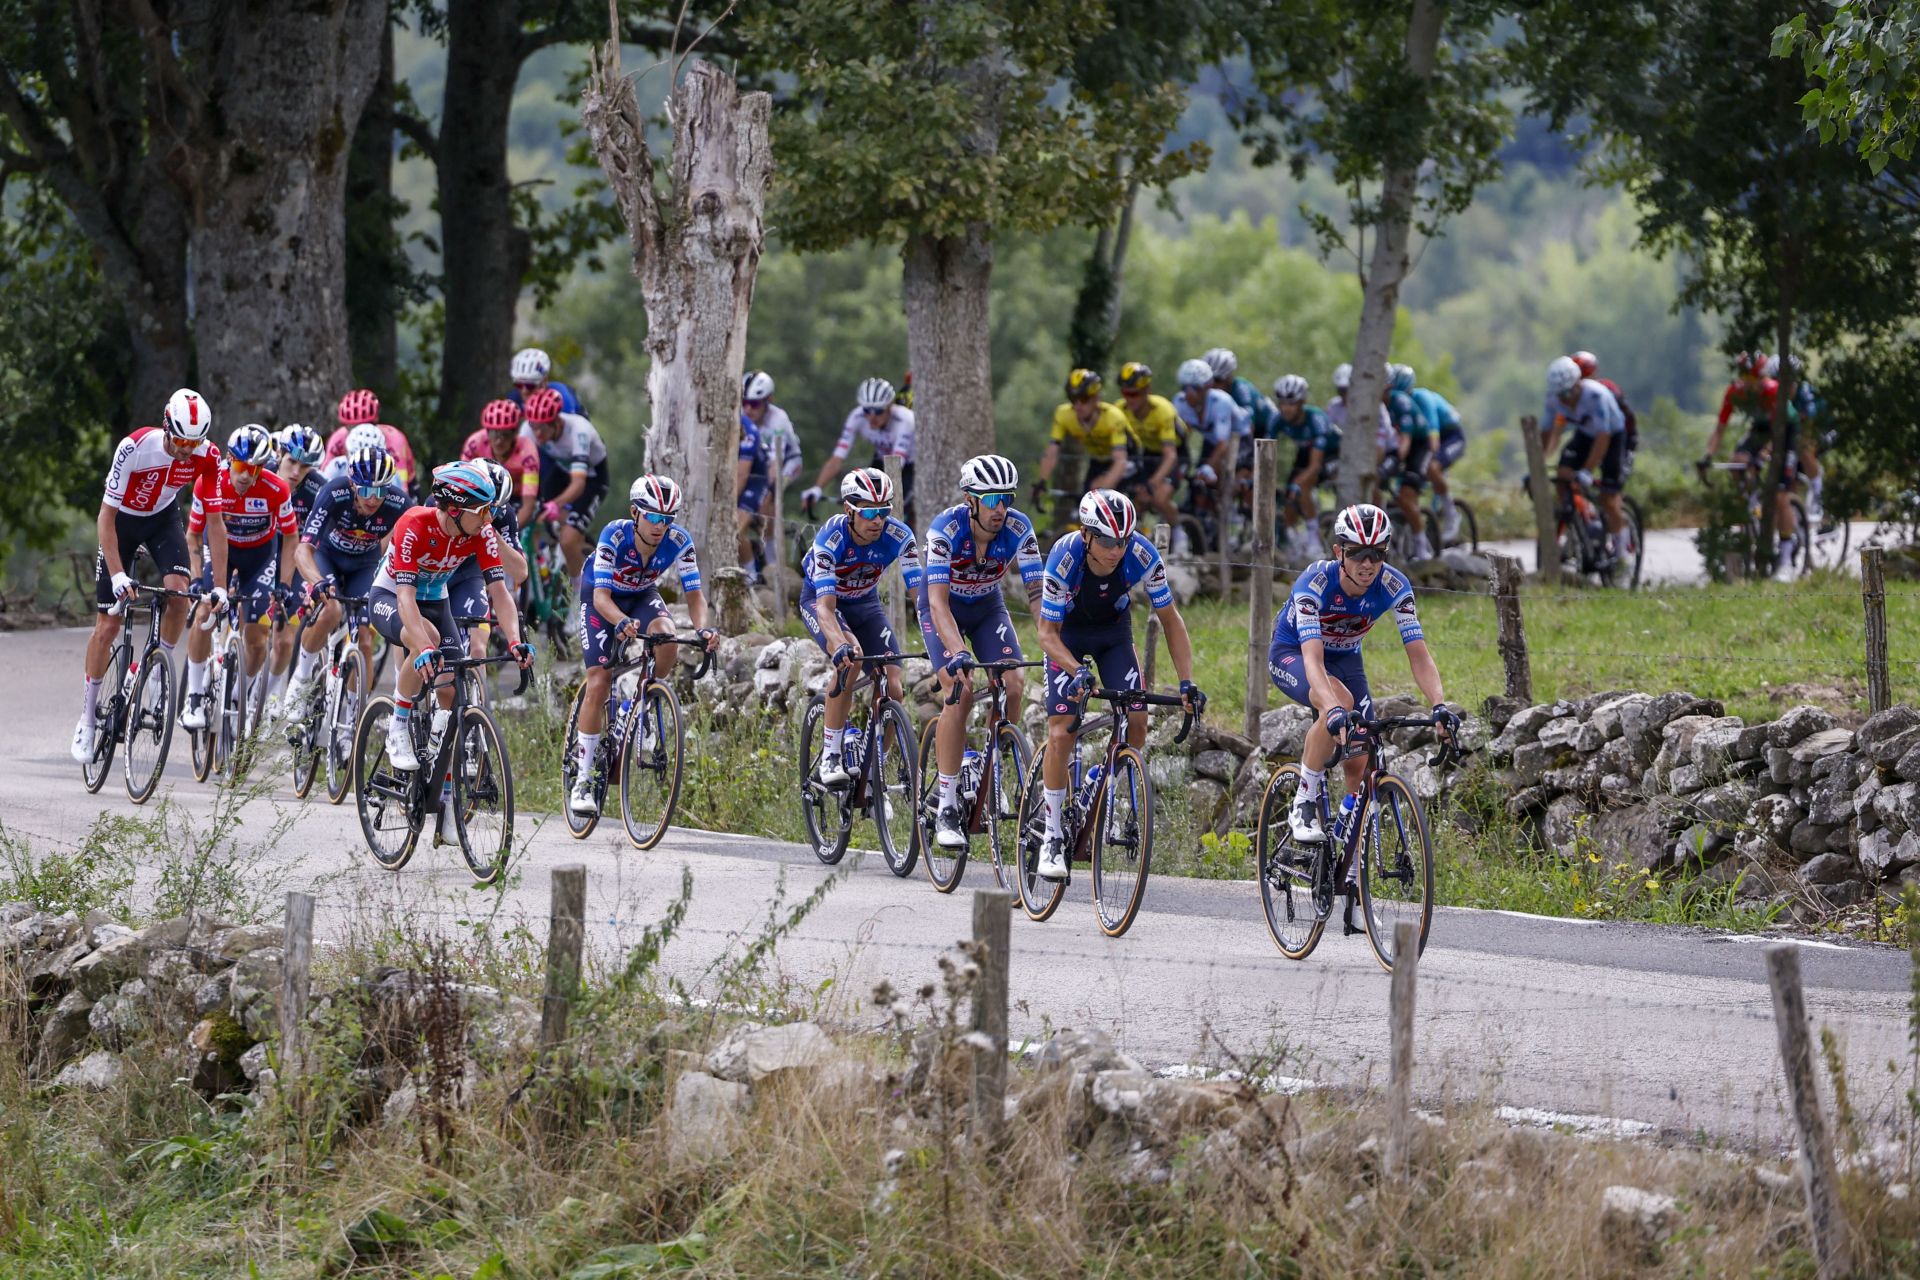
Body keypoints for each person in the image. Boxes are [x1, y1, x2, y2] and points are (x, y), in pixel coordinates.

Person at [1267, 504, 1455, 877]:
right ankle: (1304, 800)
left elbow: (1418, 654)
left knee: (1362, 755)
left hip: (1346, 659)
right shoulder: (1315, 583)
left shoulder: (1395, 586)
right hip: (1295, 654)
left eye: (1377, 554)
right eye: (1357, 553)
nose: (1368, 564)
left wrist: (1439, 704)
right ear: (1339, 552)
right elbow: (1313, 659)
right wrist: (1332, 708)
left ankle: (1350, 860)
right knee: (1339, 705)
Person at [1033, 490, 1203, 880]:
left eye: (1123, 540)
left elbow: (1172, 620)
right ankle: (1054, 835)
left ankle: (1102, 779)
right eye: (1108, 541)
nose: (1116, 550)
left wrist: (1186, 682)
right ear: (1086, 535)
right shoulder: (1065, 555)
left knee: (1137, 720)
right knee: (1061, 731)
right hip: (1066, 637)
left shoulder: (1141, 554)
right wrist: (1075, 669)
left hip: (1112, 634)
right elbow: (1046, 634)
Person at [72, 388, 223, 763]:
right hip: (122, 523)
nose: (187, 450)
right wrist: (119, 574)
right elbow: (105, 517)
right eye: (181, 440)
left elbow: (215, 524)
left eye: (194, 442)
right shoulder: (135, 447)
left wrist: (219, 583)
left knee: (179, 596)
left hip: (162, 521)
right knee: (107, 625)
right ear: (166, 426)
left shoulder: (208, 456)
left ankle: (155, 674)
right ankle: (87, 718)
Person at [367, 462, 535, 774]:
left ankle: (437, 759)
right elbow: (405, 597)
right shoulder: (414, 522)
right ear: (456, 509)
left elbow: (501, 593)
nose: (490, 519)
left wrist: (515, 641)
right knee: (426, 639)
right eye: (483, 510)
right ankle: (398, 727)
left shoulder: (481, 532)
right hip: (391, 596)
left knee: (452, 687)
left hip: (436, 600)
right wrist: (424, 647)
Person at [570, 475, 719, 816]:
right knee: (599, 680)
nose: (660, 526)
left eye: (667, 519)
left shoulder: (679, 541)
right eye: (653, 517)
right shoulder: (614, 535)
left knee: (666, 634)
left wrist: (704, 629)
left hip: (640, 595)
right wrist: (620, 621)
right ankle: (583, 777)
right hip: (601, 600)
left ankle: (643, 698)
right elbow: (602, 597)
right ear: (635, 513)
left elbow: (695, 597)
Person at [919, 454, 1045, 849]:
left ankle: (993, 775)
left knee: (1014, 682)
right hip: (944, 609)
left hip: (988, 607)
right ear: (971, 500)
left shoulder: (1020, 528)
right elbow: (937, 603)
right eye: (992, 500)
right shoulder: (945, 530)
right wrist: (957, 652)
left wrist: (1053, 640)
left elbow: (1039, 593)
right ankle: (948, 802)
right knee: (961, 689)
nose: (1001, 508)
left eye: (1006, 497)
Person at [798, 467, 923, 786]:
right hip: (823, 601)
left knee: (894, 685)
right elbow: (826, 609)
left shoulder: (899, 536)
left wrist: (938, 639)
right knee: (850, 659)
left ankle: (873, 768)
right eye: (869, 512)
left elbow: (920, 597)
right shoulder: (832, 537)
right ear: (849, 510)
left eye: (884, 511)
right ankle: (831, 755)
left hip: (865, 602)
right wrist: (839, 645)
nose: (877, 520)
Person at [180, 424, 300, 730]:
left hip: (259, 557)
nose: (246, 475)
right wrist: (196, 578)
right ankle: (194, 695)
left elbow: (290, 538)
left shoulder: (277, 489)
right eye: (240, 466)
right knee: (205, 611)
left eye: (255, 468)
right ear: (229, 460)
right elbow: (193, 535)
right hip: (220, 550)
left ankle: (239, 695)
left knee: (258, 636)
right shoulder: (210, 482)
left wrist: (284, 585)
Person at [284, 445, 412, 710]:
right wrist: (317, 582)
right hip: (328, 557)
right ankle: (301, 677)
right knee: (331, 610)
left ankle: (353, 721)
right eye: (366, 490)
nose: (373, 499)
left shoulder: (398, 503)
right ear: (353, 484)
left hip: (364, 565)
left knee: (365, 640)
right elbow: (302, 550)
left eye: (380, 491)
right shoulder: (334, 492)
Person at [1542, 355, 1632, 567]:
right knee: (1563, 476)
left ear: (1578, 384)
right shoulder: (1553, 398)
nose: (1563, 400)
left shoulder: (1596, 396)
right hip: (1584, 434)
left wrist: (1587, 471)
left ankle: (1622, 555)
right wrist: (1538, 465)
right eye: (1559, 395)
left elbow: (1603, 438)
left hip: (1612, 436)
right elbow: (1546, 433)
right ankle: (1579, 520)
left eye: (1567, 393)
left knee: (1608, 500)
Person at [266, 423, 329, 706]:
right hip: (261, 552)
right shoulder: (261, 474)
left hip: (293, 557)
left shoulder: (319, 487)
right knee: (253, 629)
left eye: (304, 467)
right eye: (291, 462)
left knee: (283, 642)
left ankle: (267, 701)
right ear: (279, 453)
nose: (295, 472)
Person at [445, 457, 532, 658]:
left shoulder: (503, 515)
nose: (490, 516)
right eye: (484, 508)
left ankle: (476, 688)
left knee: (477, 649)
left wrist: (492, 533)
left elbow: (520, 572)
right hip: (435, 574)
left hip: (469, 576)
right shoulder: (441, 503)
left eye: (494, 509)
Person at [522, 385, 609, 583]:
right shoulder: (529, 429)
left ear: (557, 423)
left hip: (592, 478)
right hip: (561, 472)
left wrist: (557, 504)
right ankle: (547, 570)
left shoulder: (579, 431)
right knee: (534, 518)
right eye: (533, 426)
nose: (537, 434)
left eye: (542, 428)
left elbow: (579, 484)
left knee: (568, 539)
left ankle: (578, 598)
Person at [802, 378, 916, 520]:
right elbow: (837, 458)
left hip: (909, 465)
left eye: (878, 411)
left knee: (900, 510)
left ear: (890, 406)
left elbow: (897, 465)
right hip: (881, 460)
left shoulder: (905, 420)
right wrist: (817, 488)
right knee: (861, 508)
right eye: (867, 410)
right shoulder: (857, 417)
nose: (872, 417)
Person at [1114, 362, 1187, 553]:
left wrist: (1153, 482)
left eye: (1134, 394)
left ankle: (1179, 533)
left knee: (1159, 497)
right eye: (1125, 393)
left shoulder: (1162, 410)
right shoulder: (1120, 410)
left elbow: (1170, 456)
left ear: (1147, 390)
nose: (1129, 399)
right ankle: (1138, 539)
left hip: (1175, 453)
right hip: (1147, 454)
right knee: (1137, 499)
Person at [1272, 375, 1341, 558]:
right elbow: (1265, 451)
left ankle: (1313, 540)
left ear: (1302, 402)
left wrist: (1299, 483)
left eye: (1291, 403)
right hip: (1306, 450)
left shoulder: (1316, 420)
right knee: (1289, 494)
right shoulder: (1277, 419)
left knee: (1301, 485)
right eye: (1282, 403)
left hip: (1332, 453)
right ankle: (1292, 537)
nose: (1286, 408)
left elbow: (1315, 465)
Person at [1174, 357, 1247, 524]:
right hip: (1212, 439)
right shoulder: (1180, 402)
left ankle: (1228, 506)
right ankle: (1204, 515)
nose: (1189, 393)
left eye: (1195, 388)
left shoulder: (1221, 401)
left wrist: (1209, 467)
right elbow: (1181, 435)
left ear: (1207, 387)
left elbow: (1224, 444)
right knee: (1199, 479)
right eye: (1185, 388)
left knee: (1221, 473)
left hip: (1239, 439)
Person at [1383, 364, 1438, 560]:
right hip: (1397, 444)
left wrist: (1395, 462)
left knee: (1406, 495)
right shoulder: (1376, 406)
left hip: (1419, 446)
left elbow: (1405, 442)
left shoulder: (1401, 402)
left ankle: (1421, 545)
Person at [460, 398, 541, 529]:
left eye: (506, 435)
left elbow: (528, 505)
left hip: (518, 497)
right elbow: (461, 486)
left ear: (515, 433)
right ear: (486, 432)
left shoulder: (527, 451)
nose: (499, 441)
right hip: (486, 495)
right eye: (494, 433)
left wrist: (510, 533)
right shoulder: (474, 444)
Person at [1405, 374, 1466, 543]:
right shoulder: (1399, 405)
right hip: (1423, 439)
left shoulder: (1423, 398)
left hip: (1451, 436)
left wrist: (1428, 462)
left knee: (1432, 468)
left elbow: (1434, 437)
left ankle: (1451, 515)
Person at [1764, 352, 1825, 524]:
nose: (1783, 386)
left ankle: (1819, 494)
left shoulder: (1805, 394)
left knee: (1801, 447)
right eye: (1777, 381)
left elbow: (1808, 427)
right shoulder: (1774, 398)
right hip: (1795, 433)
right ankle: (1795, 514)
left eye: (1788, 381)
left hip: (1822, 429)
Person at [320, 390, 417, 491]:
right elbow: (324, 477)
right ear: (346, 427)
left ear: (376, 421)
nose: (362, 433)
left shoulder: (395, 440)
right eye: (353, 427)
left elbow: (400, 487)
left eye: (368, 425)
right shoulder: (338, 439)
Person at [741, 369, 802, 526]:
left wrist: (765, 492)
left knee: (767, 497)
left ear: (768, 400)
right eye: (744, 402)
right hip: (762, 461)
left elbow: (775, 465)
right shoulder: (742, 416)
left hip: (789, 464)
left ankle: (770, 545)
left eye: (754, 404)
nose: (748, 409)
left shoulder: (778, 419)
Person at [508, 346, 584, 416]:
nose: (524, 391)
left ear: (544, 382)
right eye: (518, 385)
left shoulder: (562, 398)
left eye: (530, 386)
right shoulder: (515, 397)